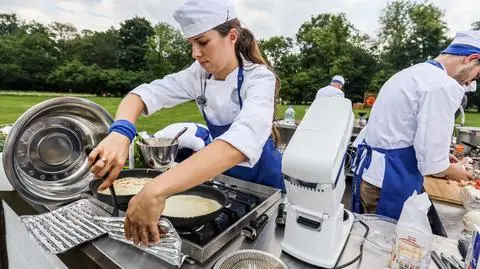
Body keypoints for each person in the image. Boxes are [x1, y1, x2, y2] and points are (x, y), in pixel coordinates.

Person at [87, 0, 284, 246]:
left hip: (265, 180)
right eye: (191, 44)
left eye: (202, 42)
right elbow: (141, 95)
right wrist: (121, 133)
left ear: (231, 36)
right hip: (224, 174)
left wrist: (155, 189)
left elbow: (239, 142)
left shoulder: (259, 78)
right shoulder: (198, 75)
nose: (195, 53)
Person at [352, 31, 480, 220]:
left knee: (367, 233)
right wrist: (452, 169)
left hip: (370, 172)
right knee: (386, 240)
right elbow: (432, 161)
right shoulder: (444, 85)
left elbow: (402, 130)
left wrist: (441, 157)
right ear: (472, 58)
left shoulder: (412, 73)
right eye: (477, 75)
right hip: (390, 180)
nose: (471, 82)